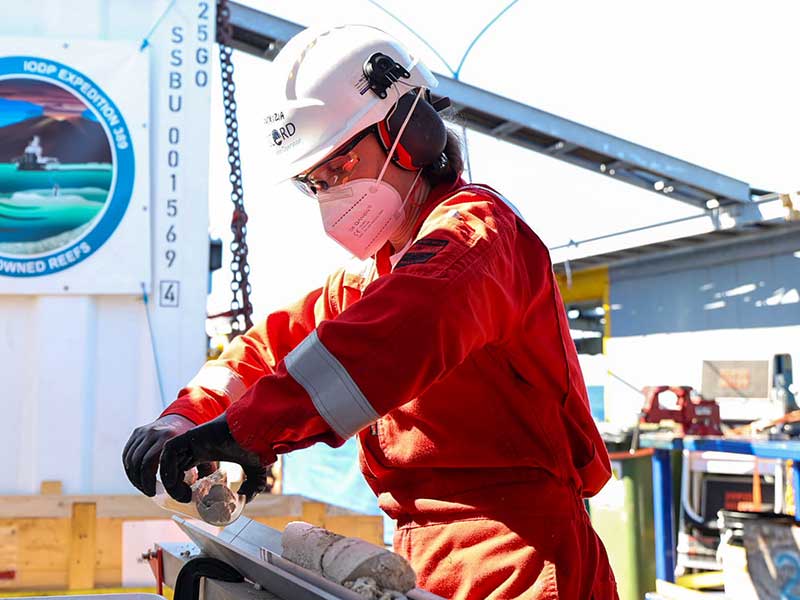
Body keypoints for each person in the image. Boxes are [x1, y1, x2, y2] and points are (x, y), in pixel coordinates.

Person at [123, 24, 618, 599]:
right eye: (316, 181)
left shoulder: (475, 236)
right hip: (423, 550)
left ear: (410, 135)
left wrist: (248, 433)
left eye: (340, 166)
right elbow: (269, 350)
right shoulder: (373, 278)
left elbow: (400, 332)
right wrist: (186, 418)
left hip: (519, 555)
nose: (331, 192)